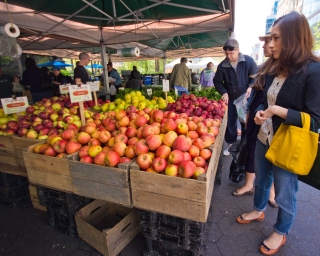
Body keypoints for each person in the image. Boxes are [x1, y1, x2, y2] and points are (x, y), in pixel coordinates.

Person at [236, 12, 320, 255]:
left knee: (285, 192)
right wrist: (262, 111)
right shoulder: (275, 67)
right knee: (262, 180)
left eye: (276, 38)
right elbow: (265, 99)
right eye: (270, 38)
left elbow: (315, 120)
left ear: (294, 38)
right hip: (265, 137)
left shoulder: (314, 72)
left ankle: (281, 230)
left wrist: (276, 110)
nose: (269, 44)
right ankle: (258, 209)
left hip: (290, 144)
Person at [232, 32, 278, 209]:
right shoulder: (265, 66)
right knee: (252, 148)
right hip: (257, 115)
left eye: (270, 41)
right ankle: (249, 184)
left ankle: (272, 193)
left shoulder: (288, 70)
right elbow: (259, 88)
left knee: (275, 156)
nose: (266, 46)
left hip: (275, 119)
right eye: (267, 42)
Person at [213, 38, 257, 156]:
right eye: (226, 53)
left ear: (238, 50)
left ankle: (244, 143)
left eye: (231, 53)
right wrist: (224, 92)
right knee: (231, 122)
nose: (228, 56)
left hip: (245, 97)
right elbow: (217, 82)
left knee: (245, 121)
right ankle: (231, 143)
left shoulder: (248, 61)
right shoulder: (222, 66)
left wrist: (250, 86)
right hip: (231, 98)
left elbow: (255, 76)